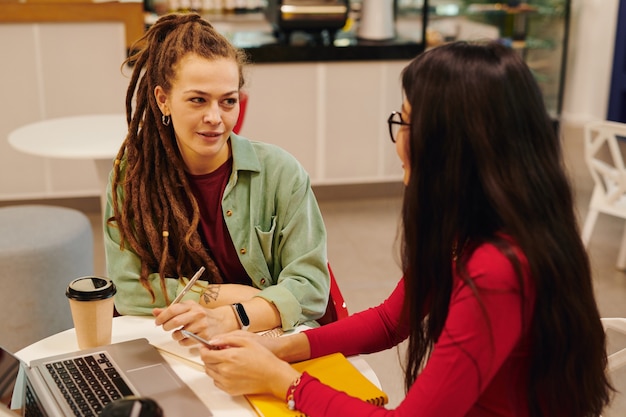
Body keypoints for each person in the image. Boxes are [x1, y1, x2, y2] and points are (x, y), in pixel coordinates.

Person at [193, 41, 614, 417]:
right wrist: (281, 348)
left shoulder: (497, 269)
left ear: (452, 144)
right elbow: (390, 322)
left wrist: (283, 382)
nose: (397, 140)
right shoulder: (477, 225)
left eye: (406, 123)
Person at [104, 13, 330, 337]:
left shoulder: (282, 174)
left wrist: (235, 316)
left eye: (228, 102)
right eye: (198, 100)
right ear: (162, 100)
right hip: (175, 339)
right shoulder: (132, 178)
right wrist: (227, 295)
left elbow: (311, 288)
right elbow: (128, 289)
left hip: (267, 339)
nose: (215, 117)